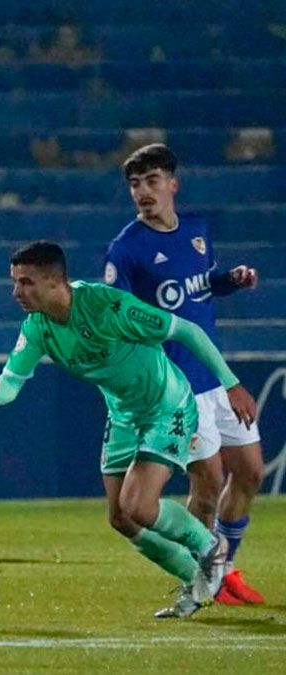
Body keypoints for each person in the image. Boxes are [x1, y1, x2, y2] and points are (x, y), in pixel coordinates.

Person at [0, 241, 257, 618]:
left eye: (26, 283)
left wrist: (231, 383)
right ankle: (197, 580)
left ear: (56, 281)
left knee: (139, 505)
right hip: (124, 414)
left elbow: (186, 330)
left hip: (166, 404)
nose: (17, 292)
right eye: (15, 283)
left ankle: (211, 547)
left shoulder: (108, 307)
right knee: (121, 518)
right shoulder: (38, 327)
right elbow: (11, 384)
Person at [105, 143, 265, 606]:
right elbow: (117, 319)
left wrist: (229, 279)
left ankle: (223, 568)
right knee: (209, 481)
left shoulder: (196, 230)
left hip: (214, 376)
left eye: (152, 181)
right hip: (176, 389)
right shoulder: (126, 250)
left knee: (251, 472)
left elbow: (202, 283)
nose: (143, 192)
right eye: (135, 184)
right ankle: (201, 577)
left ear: (172, 184)